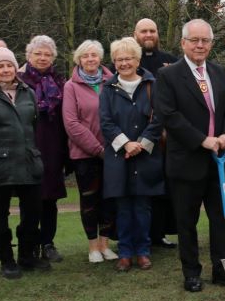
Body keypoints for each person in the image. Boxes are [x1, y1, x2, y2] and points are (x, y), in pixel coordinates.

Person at [154, 19, 225, 293]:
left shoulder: (218, 72)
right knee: (186, 222)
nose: (200, 45)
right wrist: (202, 140)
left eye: (205, 41)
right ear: (183, 43)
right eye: (194, 40)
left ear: (211, 44)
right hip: (186, 162)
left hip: (220, 162)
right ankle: (191, 272)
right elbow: (169, 116)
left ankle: (221, 268)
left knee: (223, 218)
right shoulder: (168, 76)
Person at [0, 44, 49, 279]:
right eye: (0, 66)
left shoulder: (28, 92)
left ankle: (27, 255)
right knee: (0, 212)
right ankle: (6, 260)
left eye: (9, 65)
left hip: (28, 161)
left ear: (15, 68)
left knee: (33, 211)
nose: (6, 70)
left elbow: (33, 125)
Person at [100, 37, 165, 272]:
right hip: (119, 158)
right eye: (119, 59)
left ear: (137, 60)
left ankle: (143, 251)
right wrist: (126, 144)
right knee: (124, 208)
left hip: (146, 156)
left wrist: (142, 143)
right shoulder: (107, 88)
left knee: (143, 207)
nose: (124, 63)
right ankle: (125, 252)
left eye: (128, 58)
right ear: (114, 62)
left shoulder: (152, 85)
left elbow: (159, 118)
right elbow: (105, 122)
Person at [63, 40, 118, 263]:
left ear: (100, 58)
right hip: (85, 155)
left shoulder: (112, 81)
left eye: (94, 55)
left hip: (113, 152)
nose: (90, 59)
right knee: (90, 201)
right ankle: (92, 246)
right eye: (85, 56)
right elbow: (71, 123)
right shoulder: (71, 86)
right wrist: (97, 149)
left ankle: (105, 244)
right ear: (79, 59)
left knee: (109, 199)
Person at [18, 35, 69, 263]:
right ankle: (28, 244)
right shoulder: (18, 81)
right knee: (29, 200)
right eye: (38, 53)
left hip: (53, 147)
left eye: (47, 54)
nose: (42, 57)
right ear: (28, 56)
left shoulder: (60, 82)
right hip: (27, 148)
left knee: (50, 200)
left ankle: (48, 242)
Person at [133, 18, 178, 249]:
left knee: (164, 188)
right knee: (141, 188)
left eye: (152, 30)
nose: (148, 35)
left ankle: (159, 233)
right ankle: (140, 236)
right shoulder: (127, 61)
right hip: (135, 136)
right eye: (144, 31)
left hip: (166, 137)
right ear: (135, 34)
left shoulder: (171, 62)